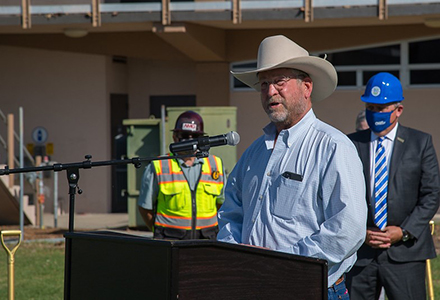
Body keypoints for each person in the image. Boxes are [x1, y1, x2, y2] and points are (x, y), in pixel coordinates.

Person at [216, 35, 367, 300]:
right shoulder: (254, 153)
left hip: (312, 290)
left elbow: (349, 228)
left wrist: (286, 262)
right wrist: (236, 257)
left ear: (306, 87)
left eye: (279, 81)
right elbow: (231, 211)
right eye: (264, 83)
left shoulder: (333, 146)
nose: (270, 91)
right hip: (255, 287)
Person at [346, 72, 440, 300]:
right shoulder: (350, 144)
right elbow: (340, 195)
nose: (376, 113)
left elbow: (431, 194)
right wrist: (359, 232)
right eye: (371, 107)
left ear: (398, 110)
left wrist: (404, 231)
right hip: (361, 255)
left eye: (382, 108)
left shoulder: (420, 143)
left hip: (405, 254)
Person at [138, 110, 225, 240]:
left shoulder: (215, 164)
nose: (189, 140)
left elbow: (222, 204)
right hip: (170, 240)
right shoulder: (159, 166)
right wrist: (160, 233)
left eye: (194, 136)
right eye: (184, 135)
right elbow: (145, 209)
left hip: (207, 240)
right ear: (175, 137)